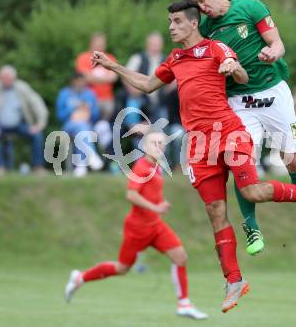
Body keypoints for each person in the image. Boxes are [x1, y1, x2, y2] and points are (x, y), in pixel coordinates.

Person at [92, 0, 296, 313]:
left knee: (251, 191)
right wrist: (113, 66)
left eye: (176, 21)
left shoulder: (216, 48)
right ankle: (234, 280)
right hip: (199, 146)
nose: (171, 27)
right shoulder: (175, 58)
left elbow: (242, 79)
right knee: (216, 210)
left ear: (192, 23)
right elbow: (147, 85)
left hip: (229, 132)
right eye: (170, 21)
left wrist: (235, 67)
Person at [183, 0, 296, 255]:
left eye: (203, 0)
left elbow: (277, 43)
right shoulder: (205, 30)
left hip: (273, 93)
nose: (203, 8)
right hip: (239, 101)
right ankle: (252, 228)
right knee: (243, 164)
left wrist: (272, 53)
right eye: (198, 5)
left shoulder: (251, 7)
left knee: (295, 162)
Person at [64, 131, 208, 320]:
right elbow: (131, 195)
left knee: (180, 257)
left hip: (155, 225)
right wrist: (155, 207)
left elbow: (150, 192)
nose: (159, 146)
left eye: (161, 143)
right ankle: (79, 278)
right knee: (122, 268)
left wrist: (158, 205)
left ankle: (184, 304)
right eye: (154, 143)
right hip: (138, 228)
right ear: (144, 147)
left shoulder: (156, 165)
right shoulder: (141, 167)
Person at [0, 65, 48, 175]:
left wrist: (40, 124)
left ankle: (37, 167)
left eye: (8, 78)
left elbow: (38, 105)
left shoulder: (23, 88)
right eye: (3, 78)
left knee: (37, 135)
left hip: (20, 125)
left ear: (14, 78)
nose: (5, 81)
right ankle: (0, 167)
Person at [56, 72, 104, 177]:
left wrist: (88, 110)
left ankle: (81, 166)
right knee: (81, 127)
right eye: (79, 82)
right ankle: (91, 155)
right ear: (73, 82)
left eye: (83, 82)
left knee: (83, 128)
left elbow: (96, 115)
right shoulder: (64, 94)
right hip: (69, 125)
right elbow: (60, 115)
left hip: (87, 124)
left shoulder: (90, 94)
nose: (81, 84)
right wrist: (73, 109)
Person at [126, 32, 168, 122]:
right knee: (132, 106)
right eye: (153, 44)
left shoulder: (166, 61)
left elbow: (173, 82)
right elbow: (126, 74)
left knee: (163, 116)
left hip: (160, 100)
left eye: (158, 44)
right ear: (147, 44)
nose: (156, 47)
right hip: (140, 97)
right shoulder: (138, 57)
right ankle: (135, 132)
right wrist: (132, 89)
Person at [76, 32, 118, 121]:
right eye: (97, 44)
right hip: (88, 98)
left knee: (105, 124)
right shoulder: (83, 58)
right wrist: (106, 78)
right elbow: (85, 78)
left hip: (107, 99)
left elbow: (114, 78)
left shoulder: (110, 58)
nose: (100, 47)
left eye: (102, 44)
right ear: (91, 44)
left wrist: (93, 78)